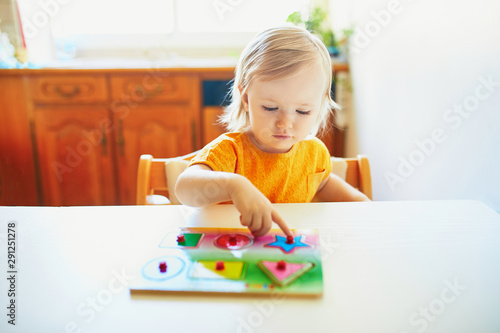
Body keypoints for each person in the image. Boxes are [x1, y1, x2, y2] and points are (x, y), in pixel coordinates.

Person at [175, 25, 369, 238]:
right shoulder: (231, 151)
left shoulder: (313, 154)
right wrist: (234, 185)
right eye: (271, 108)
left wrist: (368, 209)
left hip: (286, 254)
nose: (285, 123)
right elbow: (184, 189)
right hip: (233, 252)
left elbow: (323, 184)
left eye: (302, 111)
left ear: (320, 106)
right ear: (247, 98)